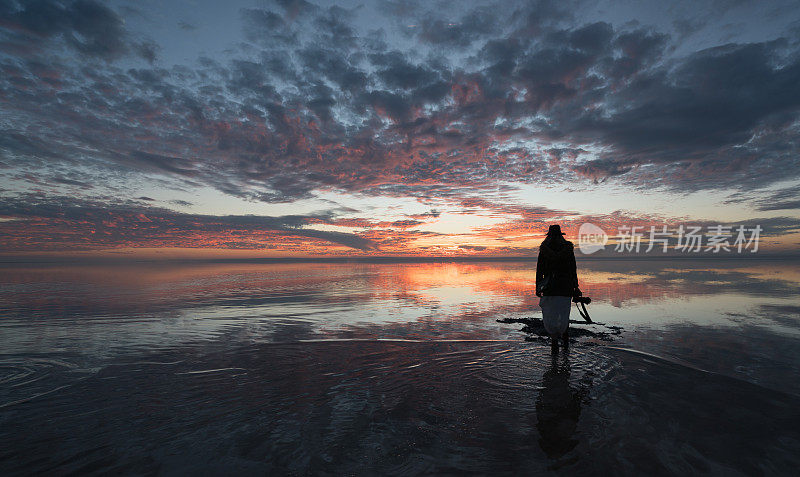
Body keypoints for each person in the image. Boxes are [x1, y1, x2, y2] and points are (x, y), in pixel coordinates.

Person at [535, 224, 581, 349]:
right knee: (564, 314)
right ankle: (565, 346)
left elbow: (539, 270)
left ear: (549, 236)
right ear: (561, 235)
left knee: (551, 315)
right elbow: (573, 270)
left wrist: (538, 287)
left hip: (550, 287)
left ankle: (554, 344)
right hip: (565, 287)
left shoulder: (544, 249)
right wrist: (575, 286)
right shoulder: (568, 249)